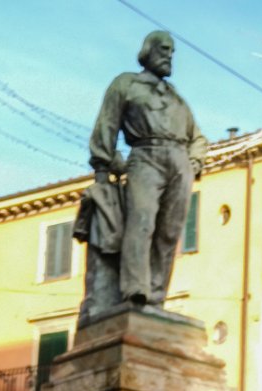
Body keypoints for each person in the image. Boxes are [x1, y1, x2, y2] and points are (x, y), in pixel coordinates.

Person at [89, 31, 206, 308]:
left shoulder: (176, 99)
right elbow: (107, 124)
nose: (169, 55)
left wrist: (194, 163)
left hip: (179, 160)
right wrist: (103, 165)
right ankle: (135, 289)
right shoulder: (127, 84)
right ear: (148, 51)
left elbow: (198, 138)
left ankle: (156, 295)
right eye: (164, 49)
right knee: (141, 222)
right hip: (145, 155)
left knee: (170, 231)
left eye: (172, 51)